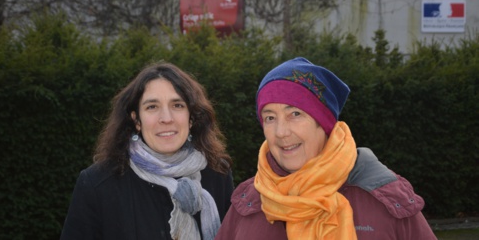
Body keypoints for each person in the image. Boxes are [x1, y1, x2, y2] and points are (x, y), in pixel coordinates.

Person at [216, 57, 436, 240]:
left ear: (324, 123)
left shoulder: (386, 200)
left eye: (295, 114)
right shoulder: (248, 202)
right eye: (270, 118)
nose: (281, 132)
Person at [61, 61, 233, 240]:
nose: (166, 118)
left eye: (177, 105)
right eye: (152, 107)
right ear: (136, 120)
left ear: (191, 118)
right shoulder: (97, 184)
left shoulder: (217, 174)